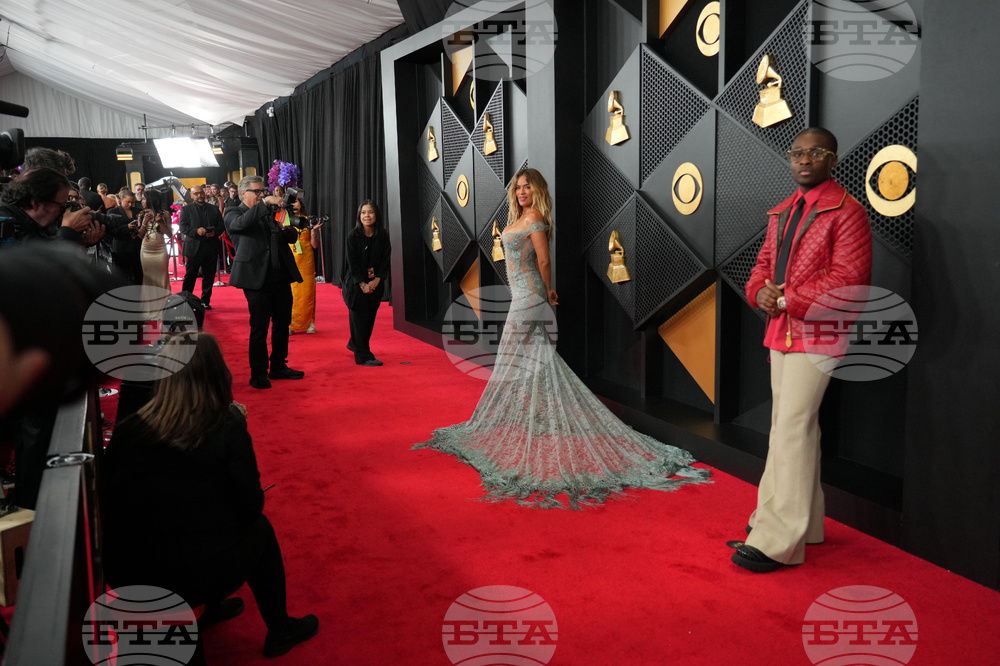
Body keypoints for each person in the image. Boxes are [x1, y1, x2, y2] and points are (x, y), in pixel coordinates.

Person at [414, 168, 710, 508]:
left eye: (527, 187)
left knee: (515, 357)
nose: (522, 191)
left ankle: (535, 418)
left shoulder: (536, 218)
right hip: (524, 296)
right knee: (534, 359)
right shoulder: (522, 216)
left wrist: (545, 293)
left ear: (537, 190)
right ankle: (538, 418)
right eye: (518, 187)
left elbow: (543, 259)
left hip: (528, 300)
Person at [103, 333, 320, 657]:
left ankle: (213, 608)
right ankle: (280, 627)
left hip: (127, 573)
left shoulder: (129, 429)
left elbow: (111, 496)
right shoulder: (225, 425)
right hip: (187, 572)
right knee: (258, 528)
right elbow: (250, 506)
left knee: (197, 526)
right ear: (218, 375)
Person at [733, 127, 872, 573]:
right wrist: (761, 295)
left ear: (833, 159)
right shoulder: (781, 212)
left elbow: (850, 282)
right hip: (782, 332)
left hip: (820, 333)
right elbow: (760, 267)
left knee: (789, 429)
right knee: (795, 427)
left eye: (815, 152)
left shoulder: (848, 212)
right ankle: (803, 524)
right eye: (797, 153)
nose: (804, 159)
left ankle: (777, 540)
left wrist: (788, 297)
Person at [224, 175, 304, 389]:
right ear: (243, 193)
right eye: (257, 192)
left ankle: (278, 366)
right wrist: (266, 204)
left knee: (282, 323)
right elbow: (240, 225)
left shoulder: (269, 212)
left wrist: (286, 223)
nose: (262, 194)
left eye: (263, 191)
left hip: (280, 275)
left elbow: (290, 239)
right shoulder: (234, 211)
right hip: (255, 278)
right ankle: (258, 373)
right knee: (259, 327)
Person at [342, 200, 390, 366]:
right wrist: (363, 284)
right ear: (359, 216)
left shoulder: (382, 235)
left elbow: (385, 261)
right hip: (356, 286)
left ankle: (354, 344)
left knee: (368, 320)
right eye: (363, 212)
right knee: (360, 320)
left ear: (376, 215)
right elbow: (353, 264)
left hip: (375, 285)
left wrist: (376, 281)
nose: (367, 215)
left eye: (370, 212)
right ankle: (363, 356)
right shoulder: (352, 237)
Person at [179, 184, 225, 309]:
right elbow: (182, 228)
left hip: (211, 246)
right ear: (192, 195)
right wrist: (196, 231)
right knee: (190, 275)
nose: (199, 195)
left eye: (201, 193)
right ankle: (185, 300)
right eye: (196, 193)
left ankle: (205, 301)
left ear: (205, 193)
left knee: (209, 275)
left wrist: (215, 232)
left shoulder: (214, 209)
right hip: (194, 247)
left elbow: (222, 226)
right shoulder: (186, 209)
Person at [286, 196, 321, 334]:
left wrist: (314, 231)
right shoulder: (283, 219)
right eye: (291, 202)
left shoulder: (308, 220)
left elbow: (315, 245)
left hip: (306, 259)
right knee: (290, 292)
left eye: (295, 201)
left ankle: (309, 322)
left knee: (307, 291)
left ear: (301, 203)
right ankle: (290, 323)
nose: (294, 204)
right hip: (289, 258)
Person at [139, 188, 172, 316]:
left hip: (160, 251)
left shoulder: (165, 214)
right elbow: (140, 235)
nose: (142, 201)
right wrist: (143, 223)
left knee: (162, 279)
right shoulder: (142, 214)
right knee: (148, 279)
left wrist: (160, 223)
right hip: (146, 250)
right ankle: (148, 310)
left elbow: (169, 235)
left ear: (151, 200)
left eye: (144, 198)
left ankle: (163, 309)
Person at [108, 191, 143, 284]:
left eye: (132, 202)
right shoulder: (112, 212)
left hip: (136, 249)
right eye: (128, 202)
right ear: (121, 200)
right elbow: (112, 232)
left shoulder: (138, 211)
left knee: (139, 276)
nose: (131, 204)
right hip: (121, 250)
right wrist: (126, 227)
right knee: (122, 277)